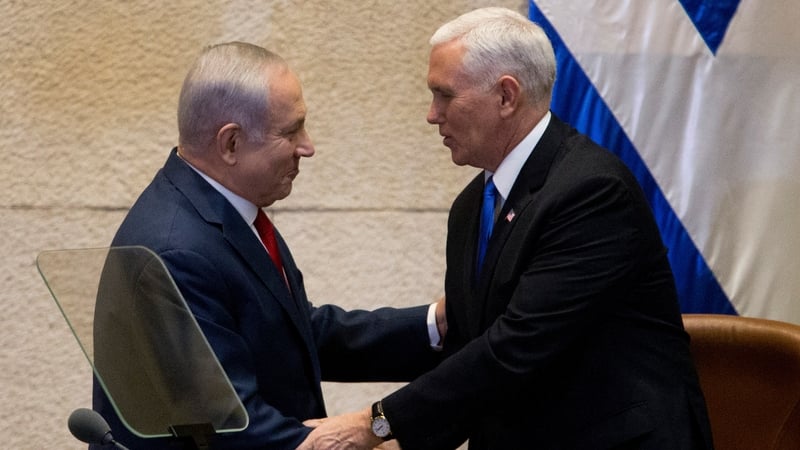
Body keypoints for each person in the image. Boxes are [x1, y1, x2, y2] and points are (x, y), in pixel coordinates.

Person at [298, 7, 714, 450]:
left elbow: (513, 347)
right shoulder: (472, 207)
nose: (431, 115)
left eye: (444, 95)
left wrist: (375, 424)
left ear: (506, 96)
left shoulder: (591, 192)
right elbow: (470, 346)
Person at [91, 41, 446, 450]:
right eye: (291, 130)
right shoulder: (176, 251)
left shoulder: (225, 211)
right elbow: (230, 426)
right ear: (231, 144)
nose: (307, 146)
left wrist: (434, 323)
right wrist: (366, 438)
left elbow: (295, 333)